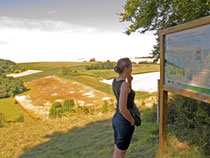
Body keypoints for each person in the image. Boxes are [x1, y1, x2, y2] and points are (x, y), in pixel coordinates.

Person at [112, 58, 135, 158]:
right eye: (131, 67)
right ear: (126, 68)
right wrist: (132, 121)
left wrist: (129, 81)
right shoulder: (124, 85)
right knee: (121, 153)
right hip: (124, 121)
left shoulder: (115, 81)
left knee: (117, 150)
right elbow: (123, 108)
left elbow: (127, 96)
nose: (132, 69)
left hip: (116, 119)